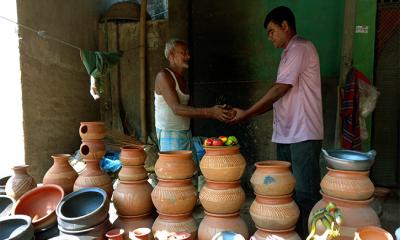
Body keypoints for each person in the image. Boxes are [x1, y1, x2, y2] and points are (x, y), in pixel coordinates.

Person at [230, 6, 323, 238]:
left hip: (303, 133)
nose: (270, 37)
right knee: (286, 190)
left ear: (285, 25)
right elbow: (278, 93)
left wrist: (247, 113)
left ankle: (309, 235)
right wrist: (249, 112)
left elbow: (280, 89)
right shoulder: (287, 54)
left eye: (272, 31)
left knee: (305, 193)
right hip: (288, 133)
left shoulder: (301, 47)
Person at [155, 38, 235, 152]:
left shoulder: (182, 79)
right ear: (171, 56)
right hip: (170, 134)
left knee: (190, 169)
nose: (188, 57)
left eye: (188, 53)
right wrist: (212, 112)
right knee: (177, 169)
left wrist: (221, 111)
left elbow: (191, 109)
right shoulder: (163, 76)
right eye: (183, 53)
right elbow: (177, 109)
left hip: (186, 133)